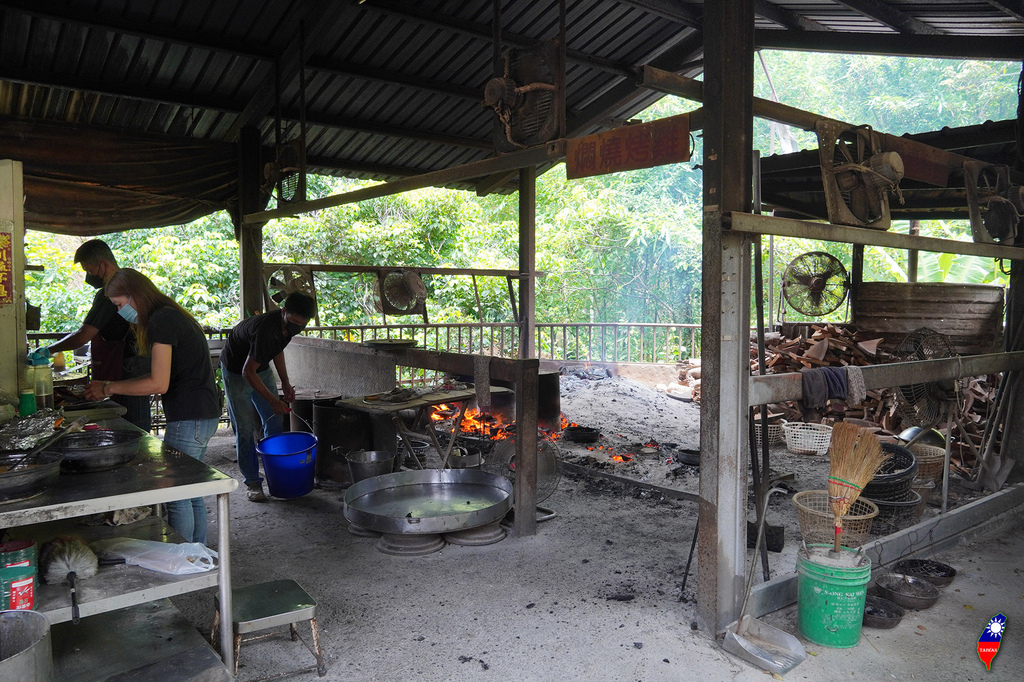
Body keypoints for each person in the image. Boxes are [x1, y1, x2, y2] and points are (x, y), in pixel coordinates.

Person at [84, 269, 221, 545]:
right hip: (201, 412)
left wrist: (109, 387)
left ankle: (186, 555)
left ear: (135, 296)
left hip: (189, 416)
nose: (121, 312)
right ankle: (197, 554)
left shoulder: (162, 320)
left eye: (120, 305)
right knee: (190, 490)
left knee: (176, 494)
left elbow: (158, 383)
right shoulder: (170, 314)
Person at [219, 292, 315, 502]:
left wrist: (286, 383)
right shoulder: (266, 329)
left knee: (274, 423)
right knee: (244, 429)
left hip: (259, 369)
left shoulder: (286, 328)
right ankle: (252, 482)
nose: (297, 326)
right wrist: (273, 400)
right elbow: (247, 372)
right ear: (284, 312)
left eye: (302, 324)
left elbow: (276, 351)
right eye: (294, 321)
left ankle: (279, 473)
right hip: (236, 372)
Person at [47, 240, 152, 431]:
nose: (89, 277)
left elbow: (82, 336)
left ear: (103, 264)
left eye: (89, 270)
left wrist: (48, 350)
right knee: (130, 418)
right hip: (132, 361)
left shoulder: (112, 291)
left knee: (131, 423)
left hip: (128, 364)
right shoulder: (128, 283)